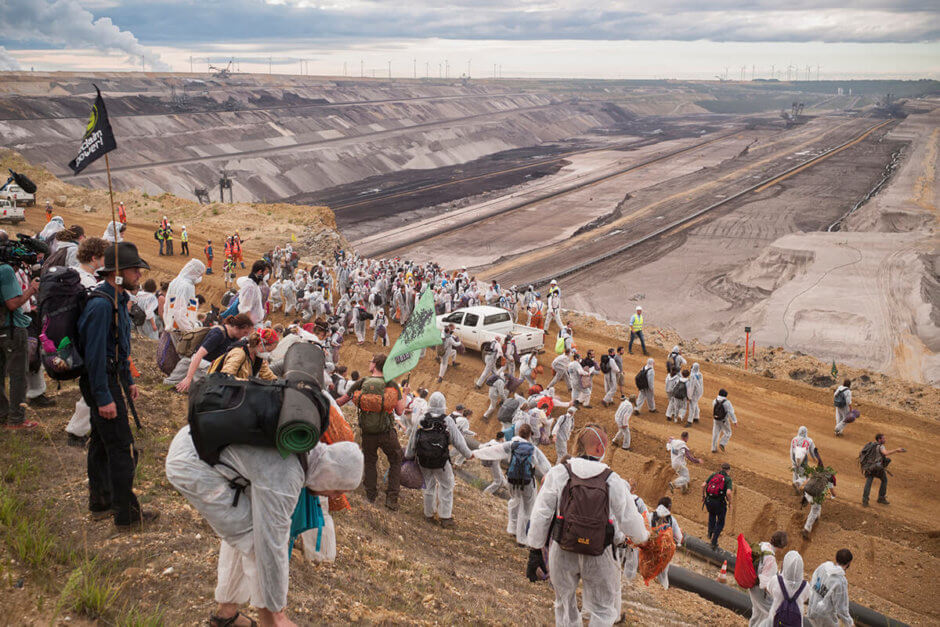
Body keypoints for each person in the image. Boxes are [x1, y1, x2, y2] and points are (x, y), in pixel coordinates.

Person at [166, 430, 361, 627]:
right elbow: (270, 544)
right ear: (330, 474)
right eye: (338, 489)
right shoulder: (287, 474)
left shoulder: (303, 450)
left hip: (195, 445)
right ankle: (271, 623)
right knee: (256, 541)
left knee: (245, 531)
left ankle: (226, 615)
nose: (334, 496)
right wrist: (278, 613)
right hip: (193, 464)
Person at [526, 424, 649, 626]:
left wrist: (535, 551)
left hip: (562, 548)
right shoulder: (612, 479)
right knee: (603, 610)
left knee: (564, 604)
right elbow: (629, 519)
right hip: (599, 553)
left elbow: (541, 513)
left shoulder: (560, 472)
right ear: (600, 449)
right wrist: (643, 538)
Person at [78, 242, 158, 528]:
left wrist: (128, 380)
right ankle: (127, 515)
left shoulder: (117, 299)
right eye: (133, 268)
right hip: (102, 383)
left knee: (101, 442)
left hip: (111, 381)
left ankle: (100, 502)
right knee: (122, 448)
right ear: (116, 272)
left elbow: (118, 348)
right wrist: (103, 397)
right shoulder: (102, 305)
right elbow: (96, 355)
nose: (138, 273)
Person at [336, 353, 408, 511]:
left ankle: (370, 496)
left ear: (374, 365)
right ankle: (392, 499)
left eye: (370, 362)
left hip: (368, 432)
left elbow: (341, 401)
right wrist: (405, 394)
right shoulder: (392, 384)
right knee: (396, 461)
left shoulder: (362, 382)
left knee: (370, 461)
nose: (369, 364)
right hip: (387, 432)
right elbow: (400, 411)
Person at [474, 422, 551, 545]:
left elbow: (494, 450)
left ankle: (512, 528)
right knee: (526, 509)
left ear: (518, 433)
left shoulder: (511, 445)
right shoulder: (533, 449)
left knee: (514, 501)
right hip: (526, 481)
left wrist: (475, 454)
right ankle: (522, 539)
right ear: (530, 435)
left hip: (511, 479)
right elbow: (545, 466)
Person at [404, 391, 472, 528]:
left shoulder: (421, 419)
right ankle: (445, 517)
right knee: (447, 485)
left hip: (423, 459)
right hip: (441, 461)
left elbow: (413, 440)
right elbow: (458, 441)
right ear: (443, 405)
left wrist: (409, 455)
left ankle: (429, 514)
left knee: (428, 486)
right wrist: (468, 454)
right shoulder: (447, 421)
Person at [65, 237, 109, 445]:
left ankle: (85, 428)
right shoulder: (88, 282)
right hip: (85, 341)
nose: (104, 263)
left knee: (91, 386)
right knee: (93, 386)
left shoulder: (73, 274)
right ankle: (77, 431)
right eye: (103, 258)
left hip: (72, 339)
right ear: (94, 258)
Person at [0, 247, 40, 430]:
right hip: (11, 329)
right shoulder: (5, 270)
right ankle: (16, 420)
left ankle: (3, 414)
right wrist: (32, 289)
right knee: (18, 375)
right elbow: (13, 303)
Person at [175, 314, 255, 392]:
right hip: (203, 364)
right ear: (236, 328)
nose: (245, 335)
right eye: (245, 332)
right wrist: (188, 378)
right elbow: (198, 355)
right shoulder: (218, 334)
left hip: (213, 364)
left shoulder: (235, 337)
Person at [748, 531, 789, 627]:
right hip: (760, 591)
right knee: (774, 614)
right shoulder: (770, 559)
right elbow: (764, 583)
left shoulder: (762, 545)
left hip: (752, 587)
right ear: (781, 547)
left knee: (758, 613)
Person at [806, 549, 854, 627]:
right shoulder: (840, 581)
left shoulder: (823, 567)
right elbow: (841, 608)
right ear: (848, 563)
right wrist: (850, 623)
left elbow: (812, 584)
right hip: (826, 618)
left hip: (812, 610)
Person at [860, 433, 905, 507]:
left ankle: (865, 500)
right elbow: (885, 453)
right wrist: (896, 450)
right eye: (883, 438)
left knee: (869, 483)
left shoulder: (872, 445)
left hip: (869, 467)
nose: (885, 440)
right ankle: (881, 498)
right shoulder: (881, 447)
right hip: (877, 468)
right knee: (884, 480)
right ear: (879, 439)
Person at [765, 551, 808, 626]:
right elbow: (806, 598)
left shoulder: (776, 581)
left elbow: (768, 589)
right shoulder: (806, 586)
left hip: (775, 623)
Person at [163, 259, 206, 333]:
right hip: (180, 330)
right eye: (200, 275)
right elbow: (179, 313)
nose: (200, 277)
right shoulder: (186, 286)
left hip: (172, 326)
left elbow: (167, 306)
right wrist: (189, 331)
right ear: (195, 272)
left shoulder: (175, 281)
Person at [651, 496, 683, 589]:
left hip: (649, 550)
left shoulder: (650, 516)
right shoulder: (672, 520)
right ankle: (663, 588)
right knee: (663, 576)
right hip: (664, 552)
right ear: (669, 507)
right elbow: (679, 538)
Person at [702, 462, 732, 550]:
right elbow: (728, 492)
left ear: (721, 468)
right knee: (720, 522)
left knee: (712, 515)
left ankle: (710, 533)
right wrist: (730, 503)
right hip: (720, 503)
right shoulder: (728, 479)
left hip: (709, 501)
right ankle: (714, 541)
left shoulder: (714, 475)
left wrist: (703, 496)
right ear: (728, 470)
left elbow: (703, 485)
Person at [802, 465, 836, 539]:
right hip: (816, 497)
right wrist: (834, 496)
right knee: (814, 510)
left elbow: (807, 482)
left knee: (816, 506)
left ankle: (817, 517)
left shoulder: (817, 474)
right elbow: (833, 492)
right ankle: (806, 529)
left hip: (807, 493)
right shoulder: (829, 479)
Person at [790, 427, 822, 493]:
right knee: (803, 477)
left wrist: (793, 461)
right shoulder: (809, 440)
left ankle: (796, 487)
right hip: (803, 459)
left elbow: (791, 451)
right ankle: (797, 483)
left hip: (794, 457)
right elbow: (813, 451)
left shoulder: (794, 439)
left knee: (795, 472)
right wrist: (815, 458)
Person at [237, 260, 269, 325]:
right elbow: (245, 309)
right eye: (266, 272)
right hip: (252, 325)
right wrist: (251, 328)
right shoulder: (250, 287)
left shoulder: (255, 285)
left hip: (255, 324)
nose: (267, 275)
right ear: (260, 272)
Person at [481, 431, 508, 496]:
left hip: (493, 463)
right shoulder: (498, 445)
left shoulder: (492, 441)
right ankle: (486, 492)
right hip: (494, 463)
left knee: (501, 477)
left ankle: (504, 487)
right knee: (498, 481)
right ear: (502, 438)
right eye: (504, 438)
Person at [711, 388, 737, 453]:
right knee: (728, 432)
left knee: (715, 434)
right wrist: (734, 421)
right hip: (724, 420)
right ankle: (722, 443)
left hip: (716, 419)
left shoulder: (714, 401)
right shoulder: (727, 403)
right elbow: (731, 412)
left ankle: (713, 448)